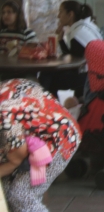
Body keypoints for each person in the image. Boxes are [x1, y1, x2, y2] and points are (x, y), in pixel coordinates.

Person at [0, 78, 81, 212]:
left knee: (21, 196)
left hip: (61, 138)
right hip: (35, 135)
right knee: (6, 189)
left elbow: (16, 159)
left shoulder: (4, 114)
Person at [40, 1, 104, 99]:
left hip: (90, 76)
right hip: (91, 73)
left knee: (48, 77)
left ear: (70, 14)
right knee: (49, 74)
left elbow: (73, 62)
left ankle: (46, 106)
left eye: (60, 12)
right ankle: (50, 107)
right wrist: (61, 39)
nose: (58, 16)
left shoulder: (78, 33)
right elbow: (73, 56)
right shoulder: (83, 27)